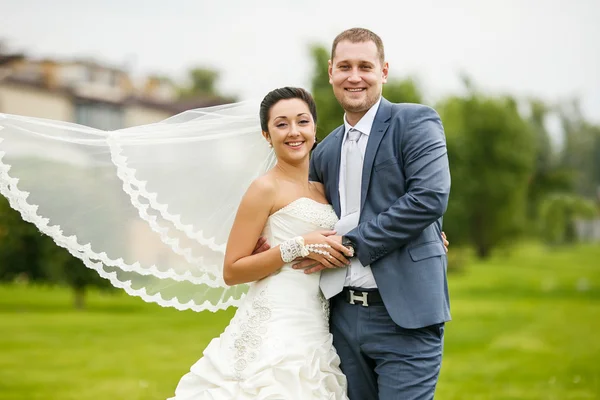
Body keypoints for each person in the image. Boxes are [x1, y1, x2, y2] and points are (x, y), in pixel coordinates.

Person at [258, 28, 452, 400]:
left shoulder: (415, 122)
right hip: (340, 319)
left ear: (384, 71)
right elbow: (311, 216)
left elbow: (429, 197)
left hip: (406, 316)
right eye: (345, 66)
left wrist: (352, 243)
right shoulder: (325, 151)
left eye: (365, 66)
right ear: (331, 71)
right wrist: (273, 248)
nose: (354, 76)